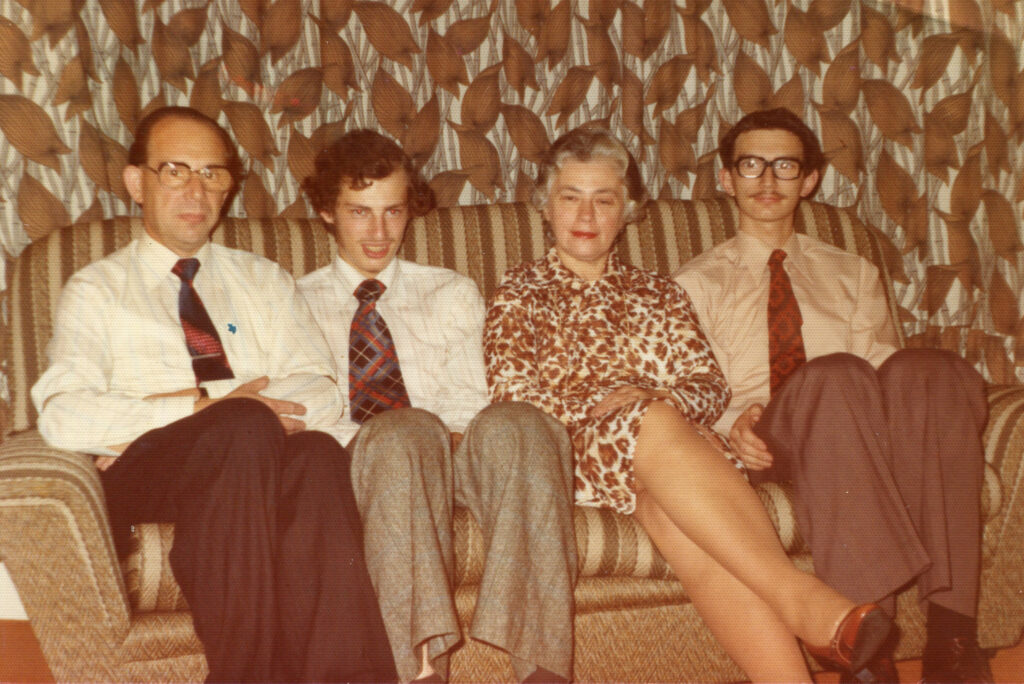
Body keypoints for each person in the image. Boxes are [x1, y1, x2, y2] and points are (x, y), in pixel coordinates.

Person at [483, 126, 901, 683]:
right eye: (570, 197)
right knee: (652, 420)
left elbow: (707, 384)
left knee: (692, 537)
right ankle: (807, 603)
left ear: (627, 211)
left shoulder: (659, 291)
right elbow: (513, 393)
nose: (587, 214)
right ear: (545, 206)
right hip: (570, 450)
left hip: (662, 459)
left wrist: (661, 401)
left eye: (604, 199)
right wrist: (635, 409)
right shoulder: (520, 290)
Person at [31, 107, 397, 683]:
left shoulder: (263, 279)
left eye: (213, 174)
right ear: (137, 182)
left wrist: (220, 405)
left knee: (319, 454)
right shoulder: (96, 289)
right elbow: (61, 415)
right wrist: (201, 409)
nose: (197, 190)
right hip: (149, 470)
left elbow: (320, 393)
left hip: (253, 454)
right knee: (242, 426)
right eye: (175, 171)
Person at [674, 107, 991, 683]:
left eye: (785, 166)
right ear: (726, 178)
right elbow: (685, 393)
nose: (768, 181)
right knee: (835, 374)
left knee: (930, 370)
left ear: (810, 179)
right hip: (760, 442)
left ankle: (952, 637)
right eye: (751, 165)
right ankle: (865, 655)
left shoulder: (853, 271)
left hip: (847, 432)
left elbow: (886, 376)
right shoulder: (694, 282)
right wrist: (729, 428)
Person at [298, 129, 577, 684]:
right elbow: (310, 413)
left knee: (521, 423)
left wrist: (444, 439)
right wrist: (414, 435)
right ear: (327, 213)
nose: (379, 233)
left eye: (393, 212)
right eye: (360, 212)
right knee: (404, 436)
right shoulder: (292, 301)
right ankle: (421, 672)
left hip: (454, 448)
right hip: (371, 462)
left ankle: (544, 672)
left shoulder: (450, 290)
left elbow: (477, 398)